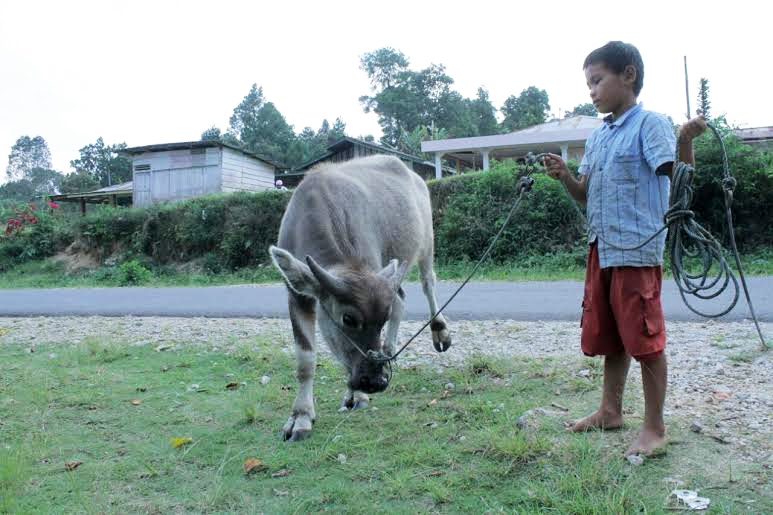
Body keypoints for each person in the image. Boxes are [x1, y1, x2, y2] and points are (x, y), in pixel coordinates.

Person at [544, 41, 707, 457]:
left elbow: (681, 179)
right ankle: (610, 411)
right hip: (601, 247)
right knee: (611, 335)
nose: (591, 91)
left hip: (636, 250)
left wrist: (685, 141)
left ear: (628, 75)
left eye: (597, 81)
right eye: (588, 84)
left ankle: (655, 428)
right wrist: (564, 176)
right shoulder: (598, 137)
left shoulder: (651, 124)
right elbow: (584, 194)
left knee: (644, 339)